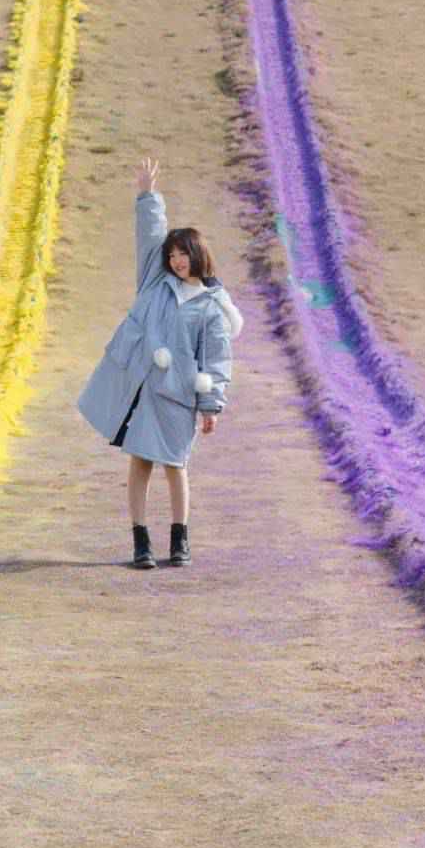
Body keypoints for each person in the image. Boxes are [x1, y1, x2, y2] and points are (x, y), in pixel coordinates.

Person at [78, 157, 243, 569]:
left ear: (197, 255)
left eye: (182, 254)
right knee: (140, 462)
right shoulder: (154, 282)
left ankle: (180, 539)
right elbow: (148, 236)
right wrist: (148, 195)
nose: (176, 260)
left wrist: (211, 405)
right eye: (172, 255)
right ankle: (140, 542)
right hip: (145, 389)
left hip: (180, 396)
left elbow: (217, 358)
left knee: (175, 465)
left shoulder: (209, 306)